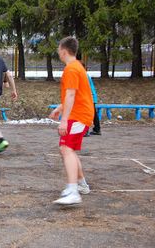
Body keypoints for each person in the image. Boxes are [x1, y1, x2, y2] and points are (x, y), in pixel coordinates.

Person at [49, 36, 94, 205]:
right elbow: (76, 93)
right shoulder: (76, 67)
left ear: (63, 50)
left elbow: (71, 94)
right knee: (69, 149)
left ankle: (73, 190)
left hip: (78, 115)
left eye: (59, 49)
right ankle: (81, 185)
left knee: (66, 148)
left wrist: (64, 120)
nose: (58, 52)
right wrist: (60, 109)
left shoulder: (72, 69)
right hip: (80, 113)